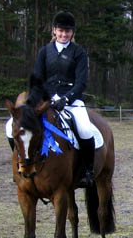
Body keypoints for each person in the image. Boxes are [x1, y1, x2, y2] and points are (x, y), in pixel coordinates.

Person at [5, 11, 101, 188]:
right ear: (54, 30)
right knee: (10, 126)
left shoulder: (79, 53)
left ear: (72, 32)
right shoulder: (44, 51)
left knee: (85, 129)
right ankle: (21, 164)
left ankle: (87, 171)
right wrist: (31, 103)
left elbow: (81, 83)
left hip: (71, 100)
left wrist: (66, 99)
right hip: (45, 100)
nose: (64, 34)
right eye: (61, 31)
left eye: (68, 31)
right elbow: (37, 80)